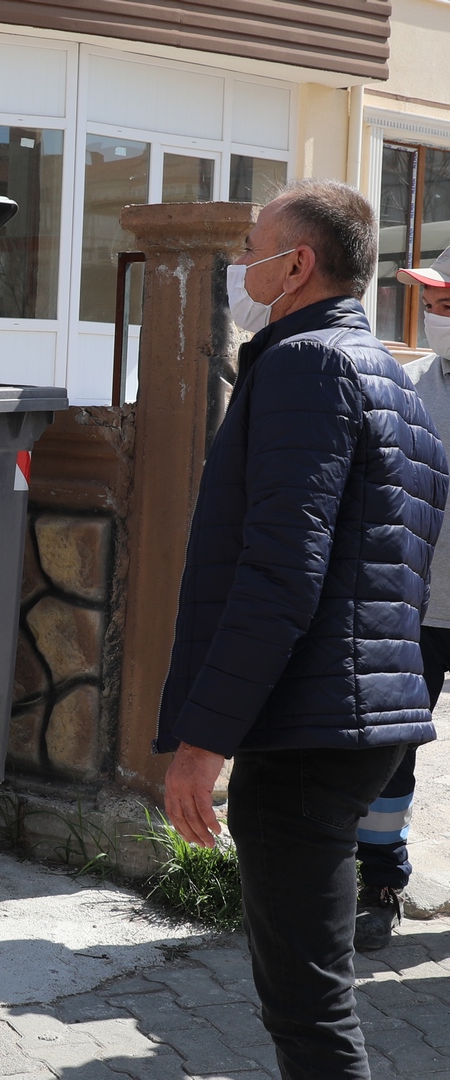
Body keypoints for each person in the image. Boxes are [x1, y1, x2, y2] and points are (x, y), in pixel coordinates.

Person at [158, 179, 448, 1080]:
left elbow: (282, 574)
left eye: (255, 248)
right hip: (360, 717)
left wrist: (203, 741)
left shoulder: (306, 365)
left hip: (311, 728)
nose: (243, 265)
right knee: (311, 996)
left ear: (298, 265)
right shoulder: (394, 385)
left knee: (308, 1006)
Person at [359, 249, 450, 950]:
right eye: (433, 298)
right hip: (412, 607)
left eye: (447, 299)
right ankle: (379, 883)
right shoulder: (408, 385)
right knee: (390, 750)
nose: (434, 310)